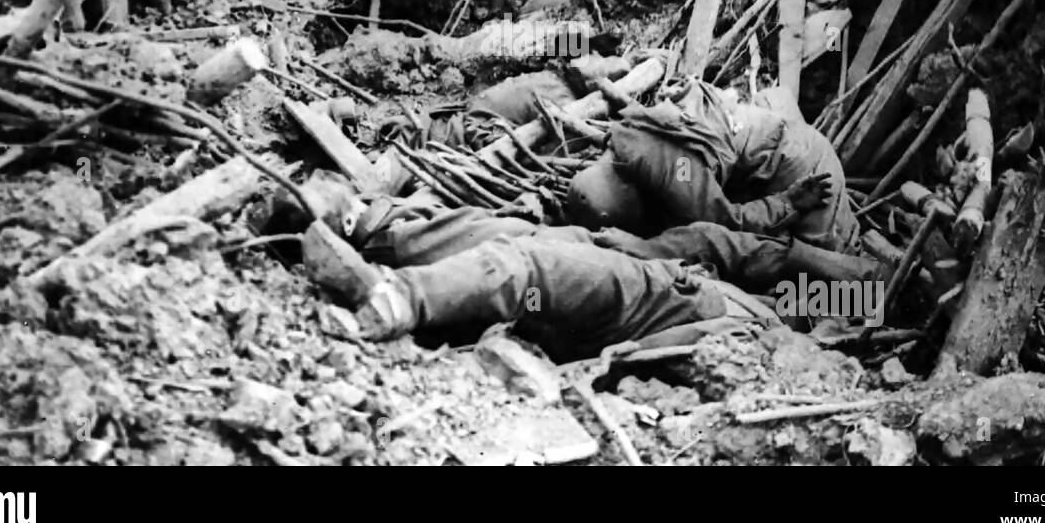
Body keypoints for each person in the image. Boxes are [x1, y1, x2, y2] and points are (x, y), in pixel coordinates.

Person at [302, 182, 880, 362]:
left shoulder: (767, 332)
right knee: (505, 235)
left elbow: (703, 343)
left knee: (533, 266)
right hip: (640, 272)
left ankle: (395, 299)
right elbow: (725, 243)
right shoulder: (759, 270)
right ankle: (374, 229)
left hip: (649, 305)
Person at [566, 79, 861, 253]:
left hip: (801, 163)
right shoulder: (622, 139)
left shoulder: (677, 172)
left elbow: (724, 224)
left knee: (825, 264)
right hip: (764, 151)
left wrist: (787, 203)